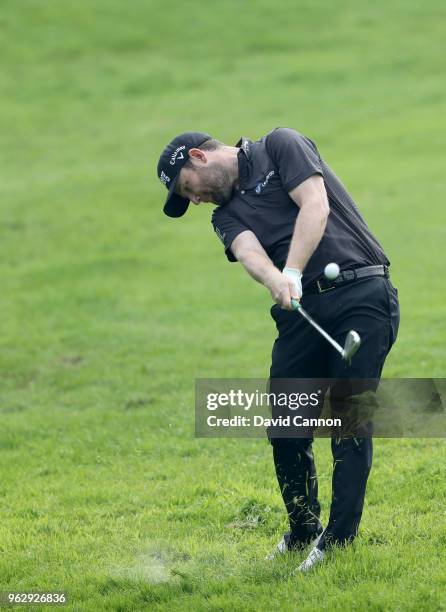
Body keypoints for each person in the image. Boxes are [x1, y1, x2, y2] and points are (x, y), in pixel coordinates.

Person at [156, 128, 400, 572]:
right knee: (286, 426)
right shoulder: (223, 215)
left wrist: (293, 269)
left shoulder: (280, 146)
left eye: (187, 188)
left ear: (198, 157)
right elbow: (248, 252)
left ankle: (339, 541)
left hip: (362, 294)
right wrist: (276, 280)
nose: (193, 201)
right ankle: (304, 529)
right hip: (301, 312)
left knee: (348, 420)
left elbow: (315, 204)